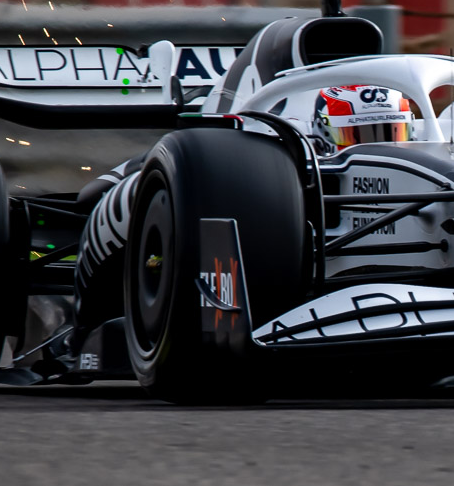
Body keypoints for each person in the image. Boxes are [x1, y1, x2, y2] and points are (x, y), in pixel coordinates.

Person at [61, 84, 412, 360]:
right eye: (359, 136)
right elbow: (87, 199)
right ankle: (75, 332)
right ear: (323, 133)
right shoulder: (275, 160)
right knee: (98, 195)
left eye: (390, 132)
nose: (378, 146)